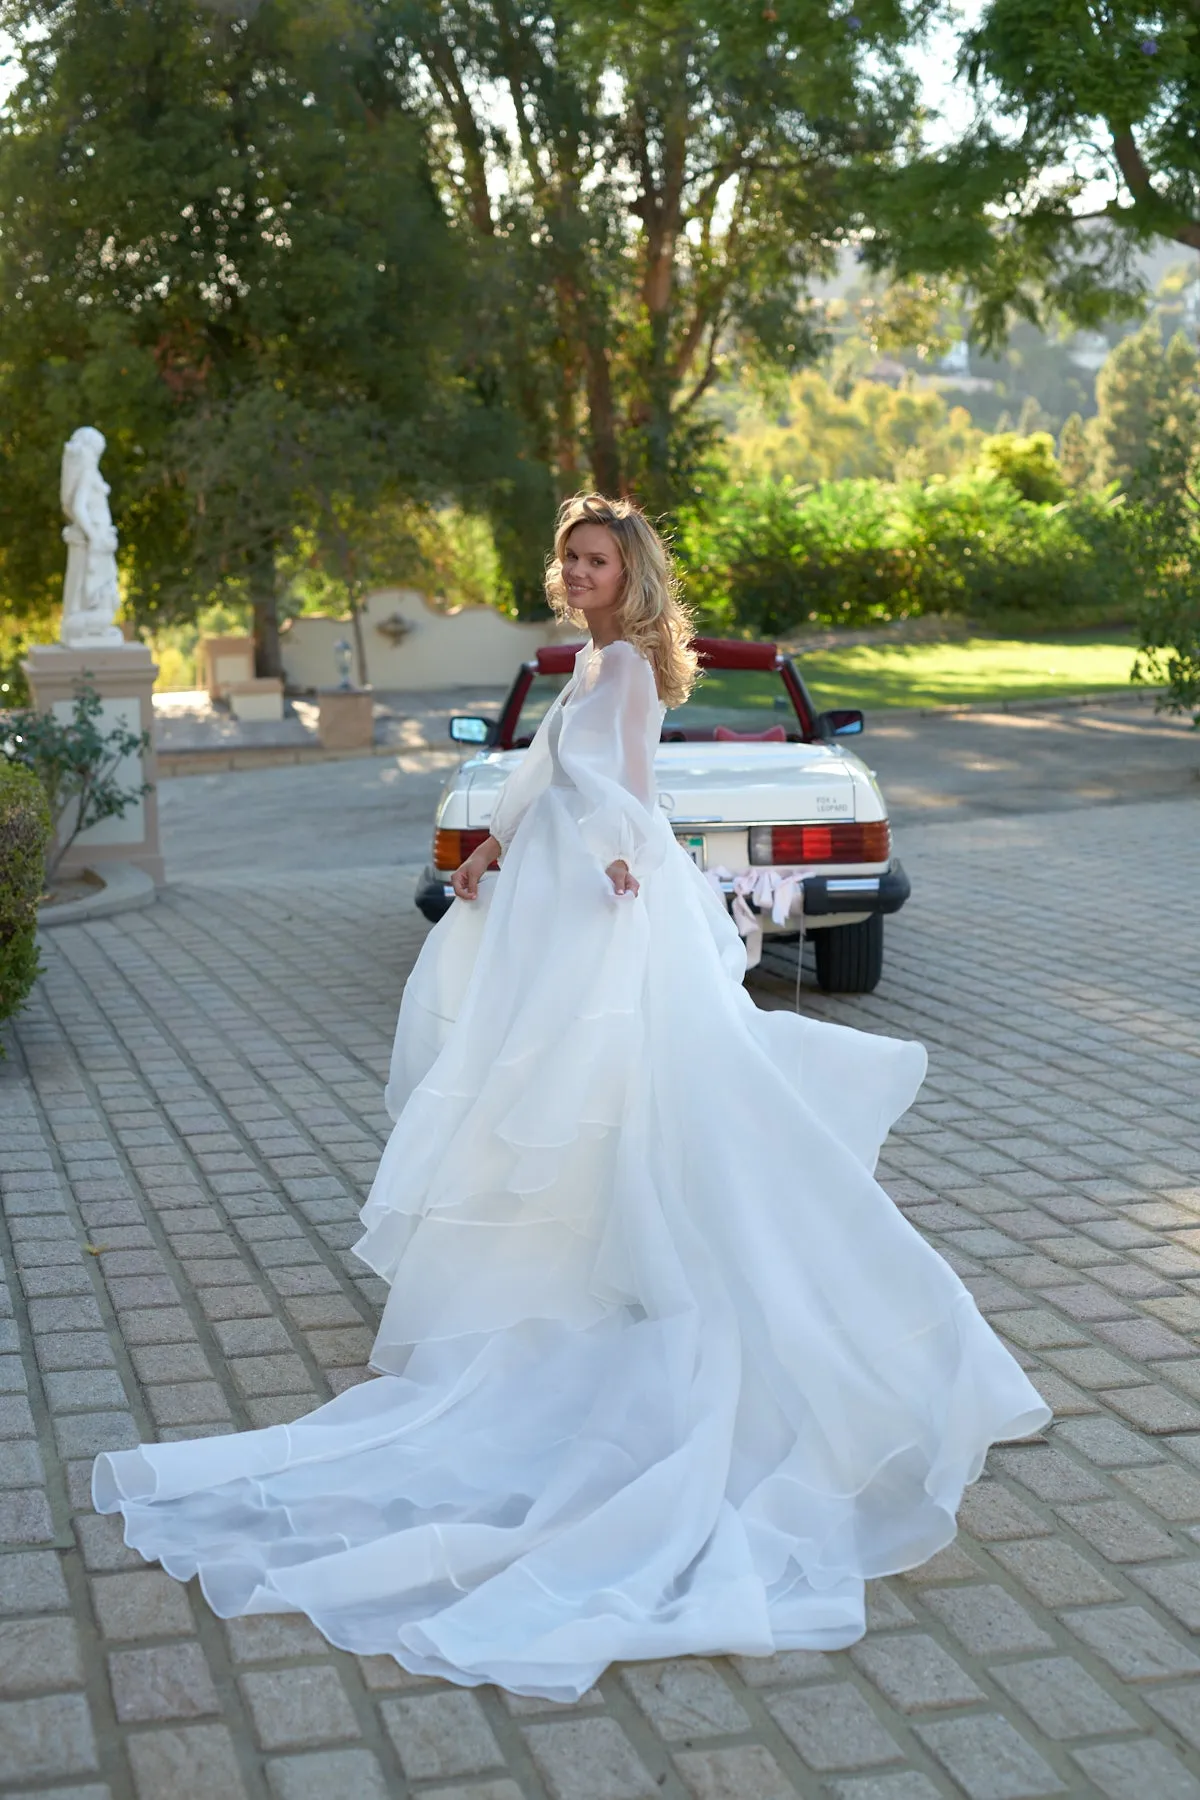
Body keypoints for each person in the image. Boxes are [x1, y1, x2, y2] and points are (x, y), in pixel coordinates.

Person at [94, 494, 1049, 1703]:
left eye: (599, 558)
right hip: (549, 887)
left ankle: (647, 1258)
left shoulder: (636, 670)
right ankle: (573, 1251)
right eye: (572, 558)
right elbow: (549, 776)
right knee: (539, 1082)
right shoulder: (587, 661)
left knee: (610, 1079)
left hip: (605, 899)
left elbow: (626, 790)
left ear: (632, 570)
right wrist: (490, 851)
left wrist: (617, 867)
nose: (583, 571)